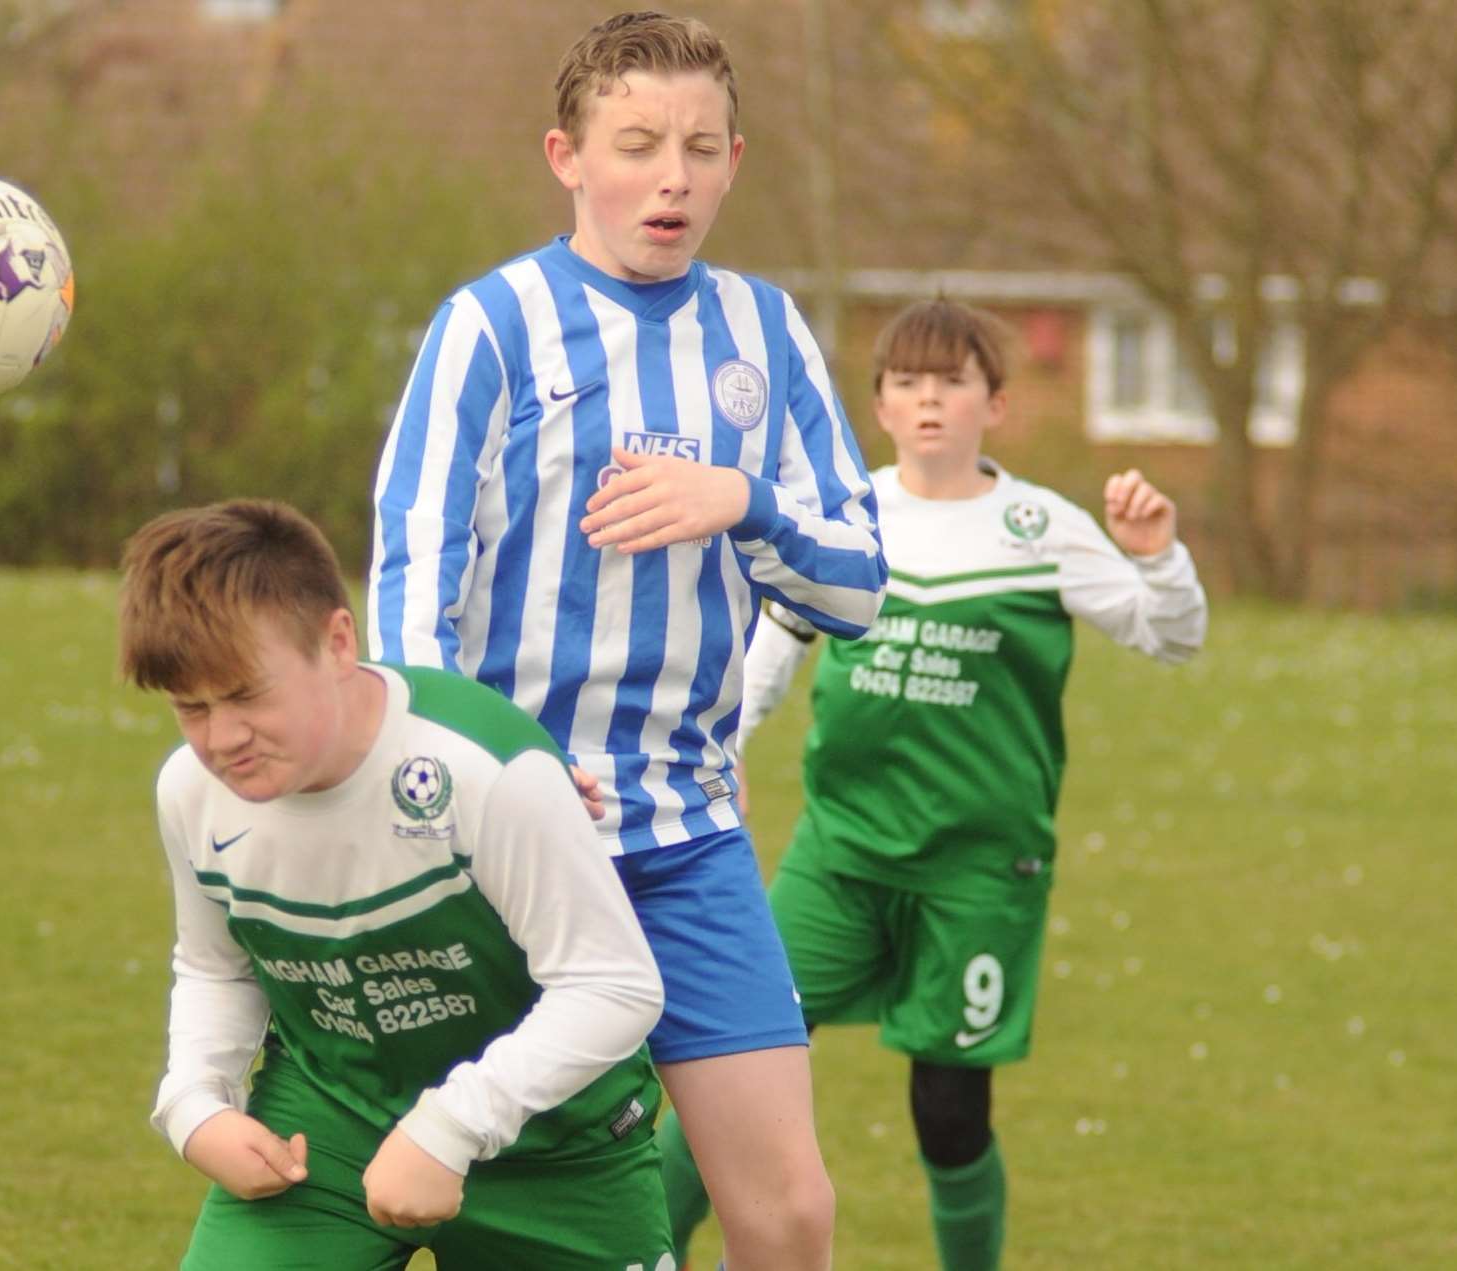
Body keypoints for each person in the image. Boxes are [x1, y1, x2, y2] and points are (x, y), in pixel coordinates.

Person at [368, 12, 887, 1269]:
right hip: (497, 842)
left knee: (788, 1211)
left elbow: (859, 588)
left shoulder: (763, 335)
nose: (672, 176)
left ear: (734, 161)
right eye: (638, 143)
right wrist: (495, 771)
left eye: (700, 148)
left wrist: (742, 503)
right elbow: (404, 599)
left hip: (684, 836)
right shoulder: (488, 327)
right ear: (566, 155)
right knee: (476, 1203)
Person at [656, 298, 1210, 1270]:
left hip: (976, 869)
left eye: (949, 381)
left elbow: (1169, 634)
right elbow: (775, 648)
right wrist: (721, 746)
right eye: (905, 382)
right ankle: (640, 1252)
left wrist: (1156, 554)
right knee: (729, 1071)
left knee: (947, 1113)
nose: (926, 400)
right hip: (839, 855)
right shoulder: (845, 514)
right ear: (876, 403)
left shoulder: (1039, 526)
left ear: (992, 402)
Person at [121, 498, 675, 1271]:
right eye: (191, 708)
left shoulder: (485, 769)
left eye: (246, 695)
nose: (221, 738)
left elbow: (612, 985)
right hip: (326, 1129)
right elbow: (216, 964)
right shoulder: (190, 792)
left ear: (337, 641)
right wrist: (194, 1102)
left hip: (550, 1146)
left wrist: (449, 1126)